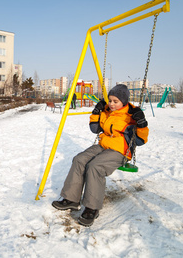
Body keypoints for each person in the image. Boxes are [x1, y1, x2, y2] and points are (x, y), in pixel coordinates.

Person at [52, 84, 149, 226]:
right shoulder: (107, 111)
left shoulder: (132, 114)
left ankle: (92, 208)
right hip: (103, 145)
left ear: (124, 101)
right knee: (79, 159)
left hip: (120, 150)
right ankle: (72, 199)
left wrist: (141, 124)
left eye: (115, 101)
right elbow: (95, 129)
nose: (111, 104)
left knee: (95, 167)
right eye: (110, 100)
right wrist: (96, 112)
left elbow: (140, 141)